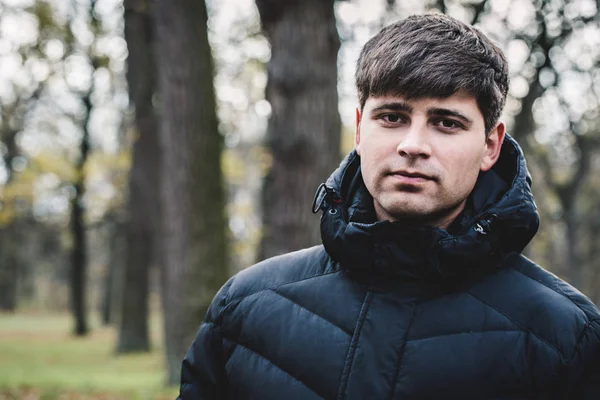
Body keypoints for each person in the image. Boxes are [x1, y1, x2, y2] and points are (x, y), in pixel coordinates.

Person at [178, 14, 600, 400]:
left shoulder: (566, 335)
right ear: (360, 129)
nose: (413, 145)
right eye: (393, 117)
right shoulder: (245, 306)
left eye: (446, 123)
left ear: (490, 145)